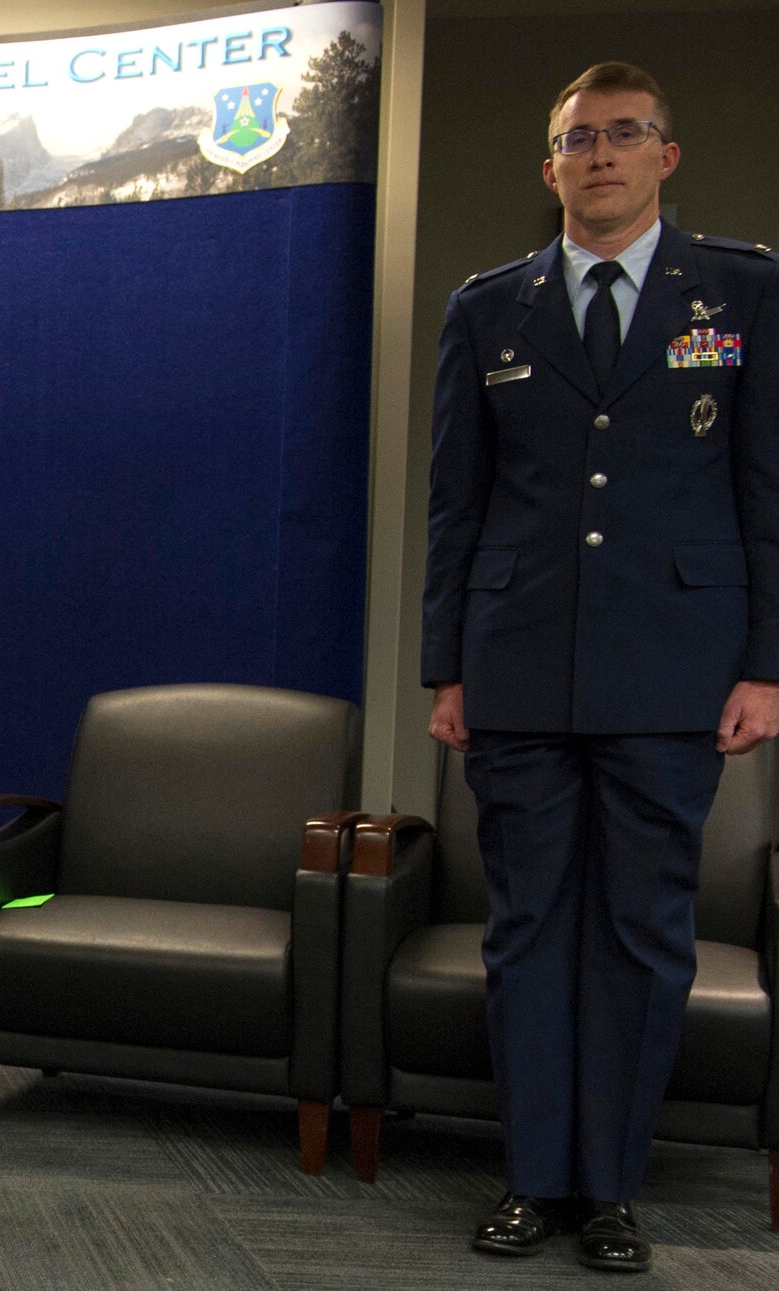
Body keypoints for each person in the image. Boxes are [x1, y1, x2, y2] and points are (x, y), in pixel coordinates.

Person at [422, 61, 779, 1273]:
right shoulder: (485, 308)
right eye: (577, 139)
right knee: (524, 930)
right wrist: (442, 666)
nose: (600, 155)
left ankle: (610, 1188)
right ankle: (530, 1180)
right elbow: (452, 506)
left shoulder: (739, 290)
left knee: (639, 933)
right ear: (549, 167)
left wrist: (764, 665)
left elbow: (764, 491)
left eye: (625, 135)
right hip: (513, 662)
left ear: (664, 157)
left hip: (675, 669)